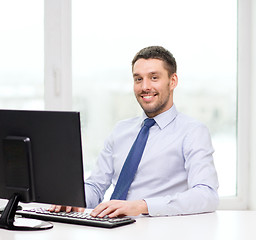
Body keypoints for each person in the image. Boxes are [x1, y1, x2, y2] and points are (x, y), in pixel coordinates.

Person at [49, 46, 219, 218]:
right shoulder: (120, 130)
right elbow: (96, 185)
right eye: (138, 79)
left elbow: (206, 195)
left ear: (172, 81)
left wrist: (141, 206)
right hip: (110, 228)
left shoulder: (193, 132)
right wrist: (74, 199)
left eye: (154, 78)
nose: (145, 86)